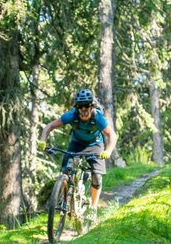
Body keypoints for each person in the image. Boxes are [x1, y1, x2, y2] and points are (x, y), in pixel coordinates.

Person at [37, 88, 117, 220]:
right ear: (77, 107)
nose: (84, 109)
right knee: (65, 171)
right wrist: (43, 141)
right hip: (77, 143)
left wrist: (107, 151)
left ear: (91, 105)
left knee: (96, 176)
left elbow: (112, 135)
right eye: (80, 106)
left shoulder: (97, 117)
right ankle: (65, 197)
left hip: (95, 145)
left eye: (86, 105)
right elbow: (49, 126)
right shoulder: (71, 116)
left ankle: (93, 207)